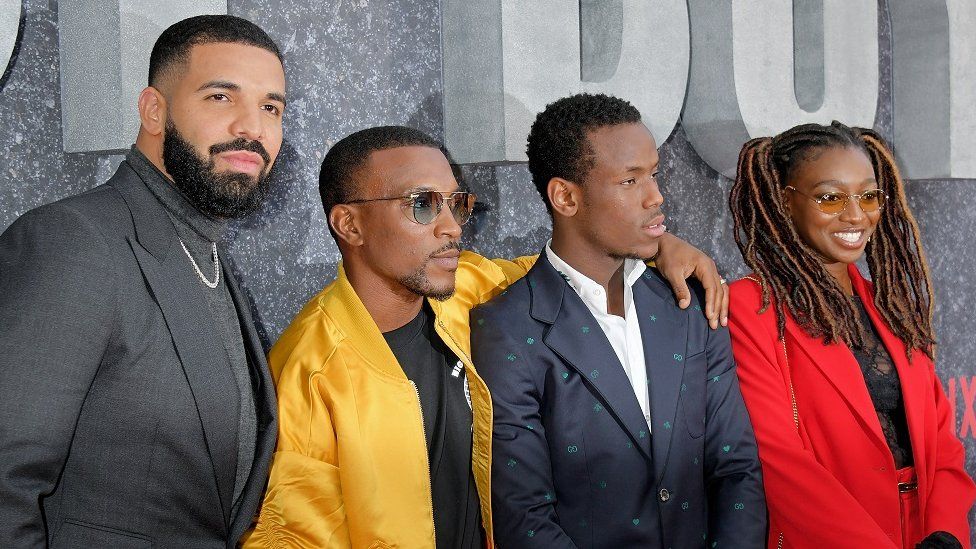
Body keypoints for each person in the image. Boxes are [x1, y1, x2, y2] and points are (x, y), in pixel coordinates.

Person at [243, 125, 728, 548]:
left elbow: (572, 267)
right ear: (349, 224)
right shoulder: (308, 374)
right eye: (421, 206)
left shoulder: (468, 290)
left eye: (456, 203)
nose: (452, 227)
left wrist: (658, 245)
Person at [0, 15, 285, 547]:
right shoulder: (73, 242)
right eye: (221, 97)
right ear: (154, 110)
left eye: (271, 106)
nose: (253, 127)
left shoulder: (206, 256)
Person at [470, 93, 766, 548]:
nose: (656, 196)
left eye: (653, 174)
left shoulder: (688, 304)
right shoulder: (508, 330)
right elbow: (524, 519)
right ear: (565, 196)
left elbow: (735, 468)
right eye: (630, 181)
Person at [728, 121, 976, 548]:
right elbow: (778, 461)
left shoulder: (893, 306)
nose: (856, 214)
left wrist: (946, 532)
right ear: (784, 201)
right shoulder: (752, 307)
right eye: (830, 197)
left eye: (868, 195)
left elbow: (942, 444)